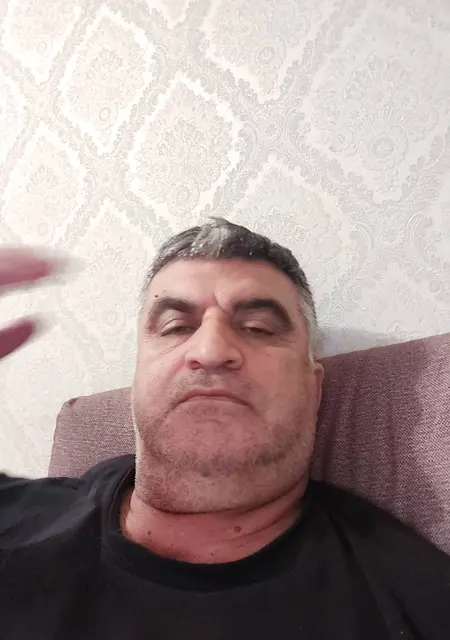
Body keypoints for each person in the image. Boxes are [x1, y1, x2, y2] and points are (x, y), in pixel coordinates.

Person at [0, 218, 449, 640]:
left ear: (313, 389)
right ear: (137, 379)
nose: (211, 349)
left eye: (258, 328)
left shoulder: (416, 600)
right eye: (176, 327)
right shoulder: (17, 515)